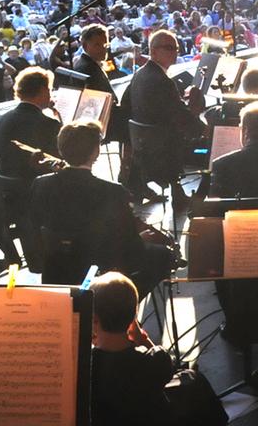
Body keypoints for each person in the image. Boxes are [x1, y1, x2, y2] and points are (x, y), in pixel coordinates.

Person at [30, 121, 174, 297]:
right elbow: (131, 249)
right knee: (164, 256)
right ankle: (123, 311)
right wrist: (142, 238)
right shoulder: (113, 191)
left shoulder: (41, 184)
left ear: (61, 149)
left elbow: (35, 228)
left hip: (56, 268)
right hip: (100, 270)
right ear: (95, 152)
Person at [125, 29, 206, 209]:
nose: (175, 52)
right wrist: (204, 130)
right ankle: (201, 194)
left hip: (144, 141)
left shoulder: (141, 74)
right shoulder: (161, 80)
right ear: (153, 51)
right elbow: (178, 115)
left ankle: (173, 190)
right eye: (169, 48)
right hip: (161, 148)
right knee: (208, 140)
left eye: (176, 48)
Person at [89, 271, 178, 426]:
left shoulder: (87, 366)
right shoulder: (156, 361)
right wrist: (142, 339)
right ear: (133, 318)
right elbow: (167, 366)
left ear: (94, 319)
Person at [0, 67, 64, 180]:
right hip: (36, 190)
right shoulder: (49, 124)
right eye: (49, 90)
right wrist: (59, 118)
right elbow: (63, 158)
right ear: (43, 90)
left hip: (4, 189)